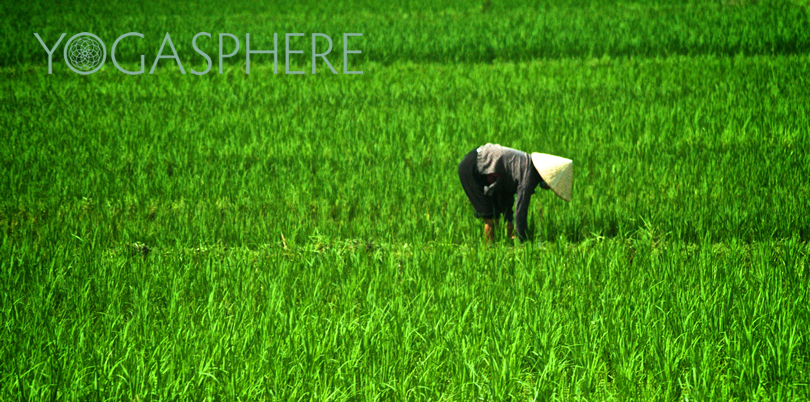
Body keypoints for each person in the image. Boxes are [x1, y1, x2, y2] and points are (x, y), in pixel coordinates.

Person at [458, 143, 573, 243]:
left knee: (496, 214)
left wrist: (509, 220)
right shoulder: (529, 175)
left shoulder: (527, 166)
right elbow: (520, 210)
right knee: (490, 218)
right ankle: (488, 253)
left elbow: (507, 191)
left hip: (479, 164)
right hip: (472, 167)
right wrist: (523, 241)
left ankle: (495, 248)